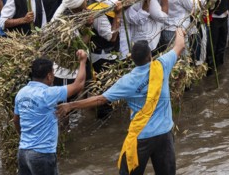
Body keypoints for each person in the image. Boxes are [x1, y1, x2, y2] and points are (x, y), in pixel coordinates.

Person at [56, 29, 187, 175]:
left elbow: (100, 99)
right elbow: (180, 45)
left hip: (141, 136)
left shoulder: (128, 81)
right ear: (150, 56)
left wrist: (71, 105)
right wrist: (179, 31)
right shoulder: (162, 65)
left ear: (132, 59)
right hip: (164, 135)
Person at [14, 49, 88, 175]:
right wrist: (82, 62)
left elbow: (16, 120)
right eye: (53, 73)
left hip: (23, 153)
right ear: (49, 76)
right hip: (42, 154)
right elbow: (79, 84)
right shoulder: (48, 93)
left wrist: (26, 140)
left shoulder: (21, 93)